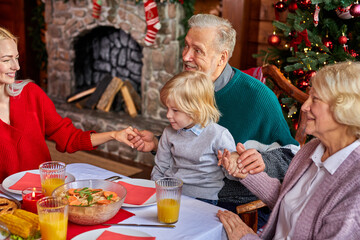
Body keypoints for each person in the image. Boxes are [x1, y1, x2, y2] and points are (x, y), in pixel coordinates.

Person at [129, 13, 298, 214]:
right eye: (186, 45)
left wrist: (263, 161)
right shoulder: (187, 85)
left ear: (222, 57)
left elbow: (293, 157)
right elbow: (195, 141)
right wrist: (157, 143)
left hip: (236, 205)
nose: (185, 56)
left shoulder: (258, 97)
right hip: (184, 193)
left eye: (197, 50)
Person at [217, 61, 360, 239]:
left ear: (344, 108)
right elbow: (289, 201)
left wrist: (246, 237)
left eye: (315, 99)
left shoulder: (355, 187)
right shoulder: (312, 149)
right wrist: (246, 171)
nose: (304, 107)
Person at [0, 27, 137, 182]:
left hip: (43, 193)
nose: (16, 66)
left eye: (16, 58)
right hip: (5, 203)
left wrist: (114, 135)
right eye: (6, 60)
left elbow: (69, 138)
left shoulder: (31, 94)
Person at [151, 71, 236, 205]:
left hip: (205, 198)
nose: (168, 115)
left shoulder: (218, 135)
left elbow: (232, 174)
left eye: (175, 110)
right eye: (167, 108)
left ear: (196, 110)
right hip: (171, 192)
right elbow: (160, 166)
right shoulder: (168, 132)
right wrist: (155, 190)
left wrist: (230, 165)